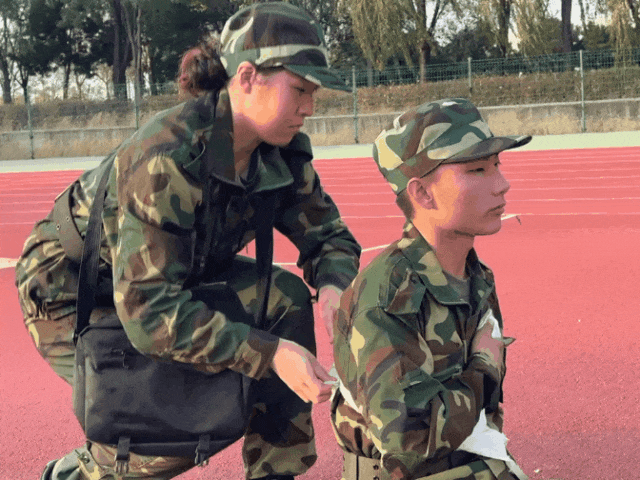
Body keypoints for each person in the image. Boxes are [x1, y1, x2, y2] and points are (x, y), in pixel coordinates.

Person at [15, 3, 360, 480]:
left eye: (314, 93)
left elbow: (329, 235)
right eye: (299, 89)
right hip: (73, 290)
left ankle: (276, 471)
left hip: (169, 277)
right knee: (184, 411)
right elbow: (149, 314)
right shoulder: (168, 157)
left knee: (286, 300)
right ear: (247, 77)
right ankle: (80, 473)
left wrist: (335, 286)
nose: (310, 107)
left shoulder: (281, 152)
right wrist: (268, 354)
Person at [330, 98, 531, 480]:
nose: (502, 185)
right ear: (422, 193)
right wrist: (485, 366)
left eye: (497, 166)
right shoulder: (389, 295)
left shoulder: (474, 276)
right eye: (477, 170)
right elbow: (409, 441)